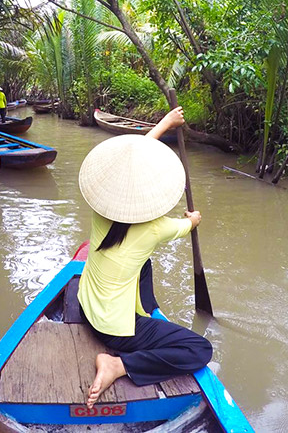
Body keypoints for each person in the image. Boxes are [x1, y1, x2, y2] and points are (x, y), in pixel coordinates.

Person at [76, 106, 212, 409]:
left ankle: (146, 309)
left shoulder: (101, 212)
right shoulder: (156, 227)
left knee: (144, 264)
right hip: (113, 331)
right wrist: (194, 218)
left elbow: (132, 161)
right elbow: (192, 223)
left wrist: (165, 123)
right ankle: (118, 366)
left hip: (87, 307)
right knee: (199, 349)